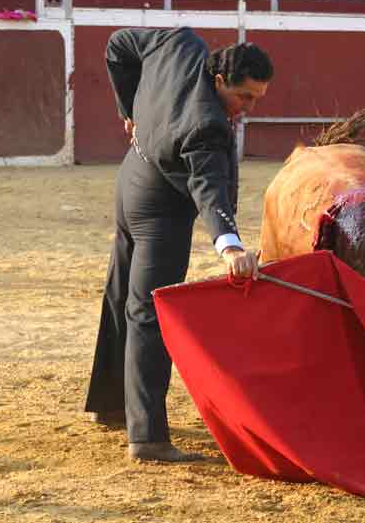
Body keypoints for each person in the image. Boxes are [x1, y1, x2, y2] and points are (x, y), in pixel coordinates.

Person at [84, 27, 273, 463]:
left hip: (131, 178)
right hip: (160, 211)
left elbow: (118, 45)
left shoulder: (178, 43)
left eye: (258, 99)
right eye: (245, 97)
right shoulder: (207, 123)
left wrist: (127, 107)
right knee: (148, 312)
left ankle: (112, 403)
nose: (249, 108)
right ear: (220, 80)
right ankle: (147, 437)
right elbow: (208, 189)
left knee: (121, 296)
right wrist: (229, 246)